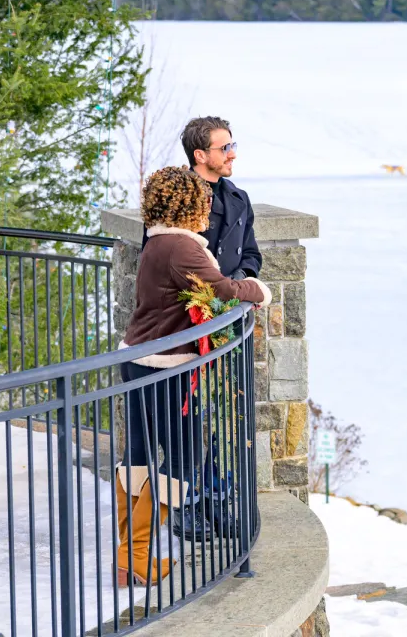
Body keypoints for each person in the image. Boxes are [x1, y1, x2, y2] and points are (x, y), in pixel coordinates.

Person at [116, 166, 271, 587]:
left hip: (139, 358)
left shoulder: (158, 241)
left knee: (140, 455)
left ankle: (131, 556)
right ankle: (137, 554)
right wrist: (260, 290)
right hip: (165, 365)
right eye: (203, 202)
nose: (209, 209)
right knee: (184, 461)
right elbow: (225, 289)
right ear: (189, 206)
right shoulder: (183, 248)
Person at [180, 117, 262, 281]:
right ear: (200, 155)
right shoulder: (175, 197)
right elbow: (166, 259)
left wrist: (242, 276)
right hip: (192, 301)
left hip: (236, 301)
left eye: (232, 146)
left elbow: (251, 253)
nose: (233, 155)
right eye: (225, 148)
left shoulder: (240, 198)